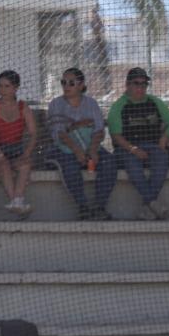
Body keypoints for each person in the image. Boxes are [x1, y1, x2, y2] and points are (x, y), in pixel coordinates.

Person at [106, 66, 169, 220]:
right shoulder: (118, 106)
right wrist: (133, 149)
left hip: (152, 145)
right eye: (136, 83)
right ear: (127, 85)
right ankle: (153, 203)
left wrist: (164, 139)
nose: (140, 87)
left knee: (162, 159)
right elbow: (116, 135)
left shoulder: (154, 101)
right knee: (133, 166)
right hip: (126, 148)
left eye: (144, 84)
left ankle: (147, 208)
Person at [47, 67, 117, 221]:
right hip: (65, 149)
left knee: (109, 162)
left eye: (71, 83)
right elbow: (60, 132)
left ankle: (99, 207)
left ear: (81, 85)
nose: (66, 86)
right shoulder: (56, 104)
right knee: (70, 166)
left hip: (90, 146)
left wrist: (92, 150)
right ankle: (83, 207)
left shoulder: (91, 103)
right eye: (63, 82)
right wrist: (77, 150)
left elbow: (99, 129)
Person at [0, 69, 37, 218]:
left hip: (17, 150)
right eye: (0, 86)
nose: (2, 90)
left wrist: (26, 153)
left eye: (7, 86)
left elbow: (33, 133)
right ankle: (16, 201)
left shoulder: (23, 107)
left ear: (15, 88)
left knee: (25, 165)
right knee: (4, 165)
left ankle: (16, 201)